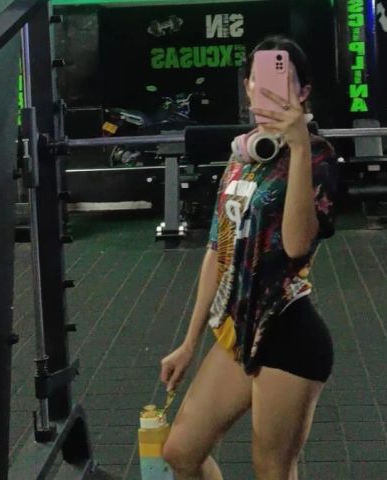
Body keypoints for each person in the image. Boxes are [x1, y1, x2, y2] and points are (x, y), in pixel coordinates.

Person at [159, 35, 336, 480]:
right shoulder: (240, 157)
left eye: (280, 80)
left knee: (271, 469)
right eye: (257, 80)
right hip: (237, 332)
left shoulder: (318, 156)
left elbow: (296, 246)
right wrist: (189, 342)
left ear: (303, 92)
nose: (265, 90)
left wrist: (299, 147)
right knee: (181, 452)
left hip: (289, 334)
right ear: (247, 87)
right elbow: (216, 252)